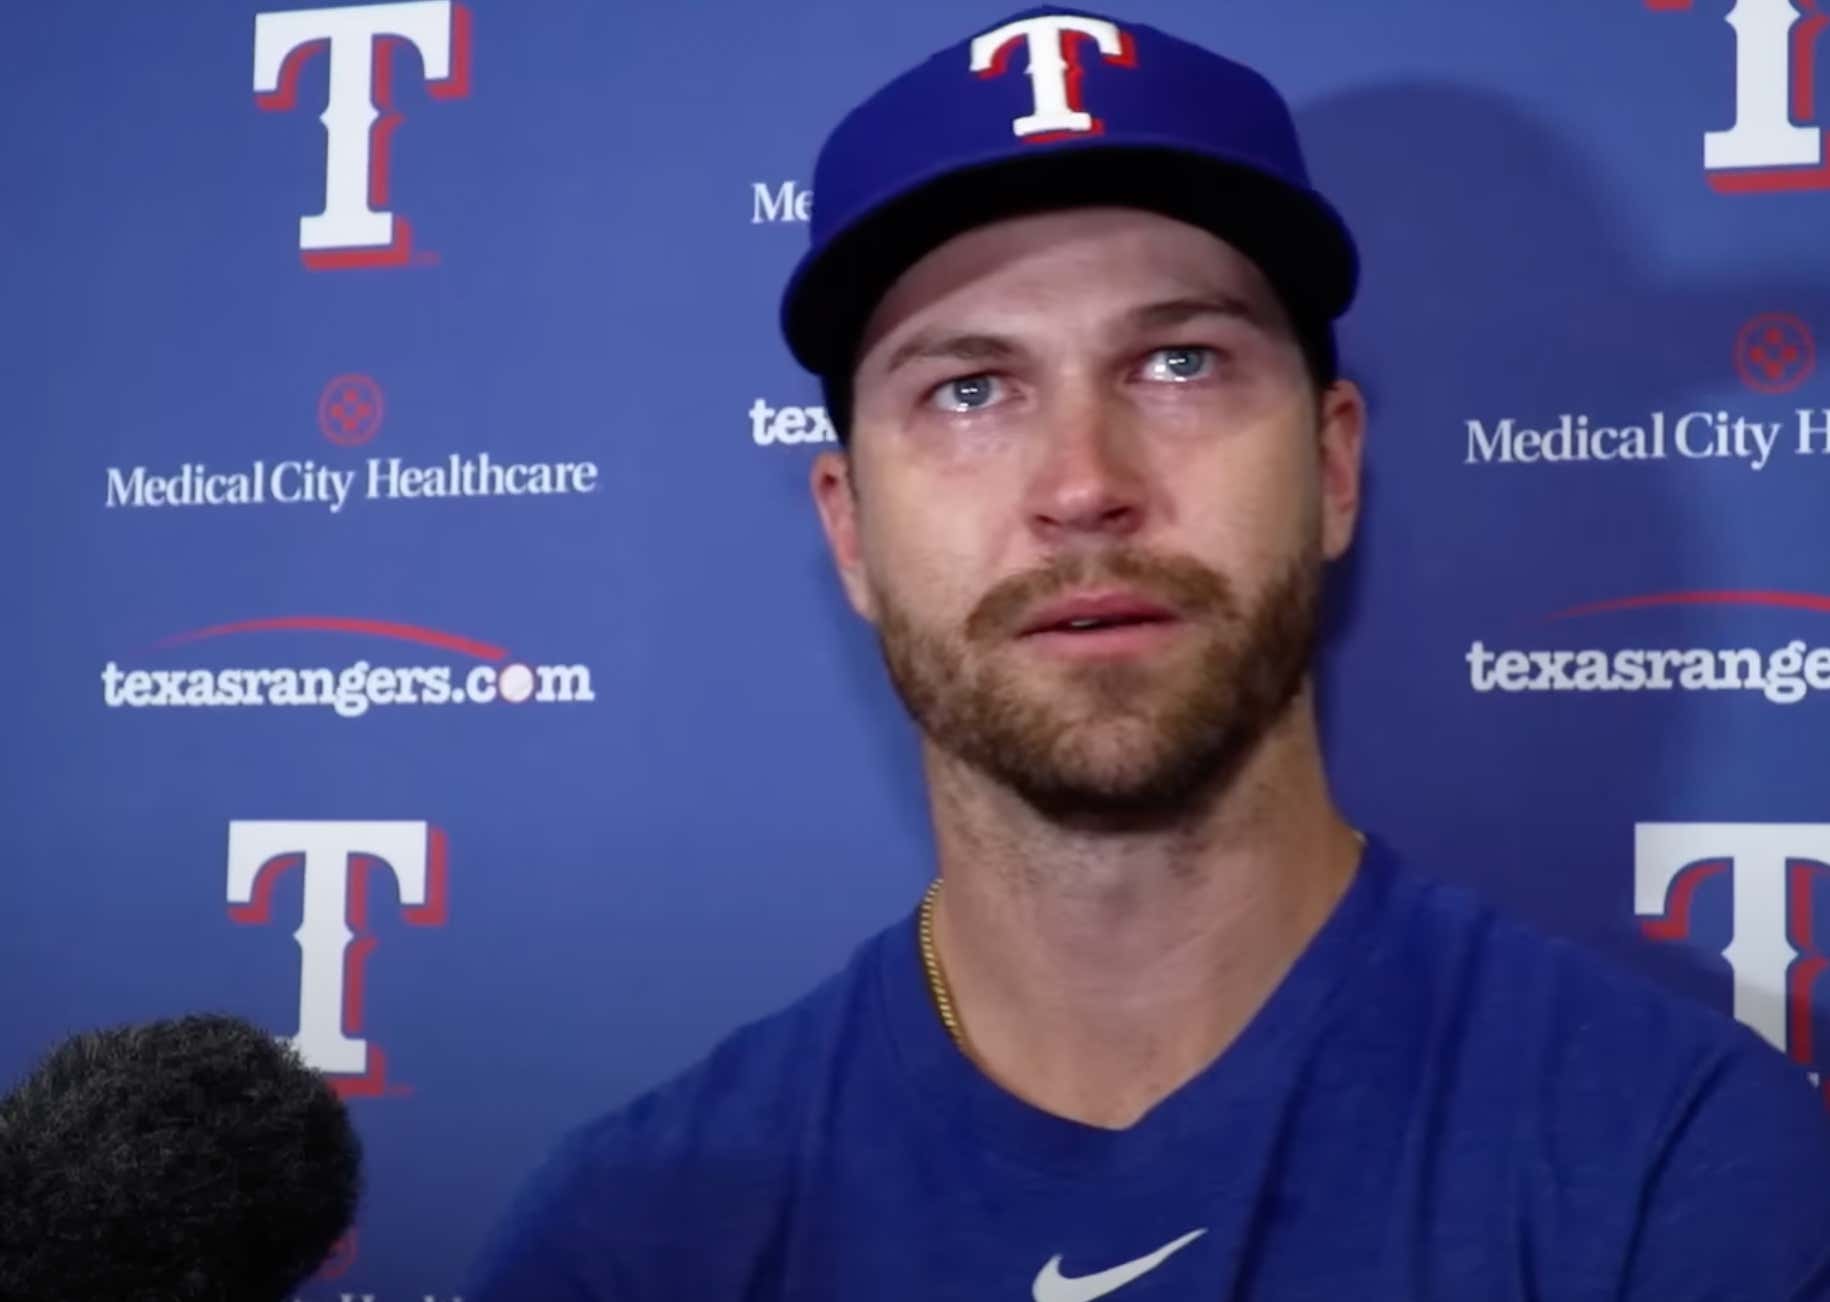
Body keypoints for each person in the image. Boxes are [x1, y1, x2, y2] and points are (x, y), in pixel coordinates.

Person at [468, 9, 1830, 1298]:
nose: (1080, 484)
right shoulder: (632, 1231)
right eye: (968, 389)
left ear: (1333, 461)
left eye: (1176, 362)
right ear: (849, 530)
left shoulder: (1676, 1161)